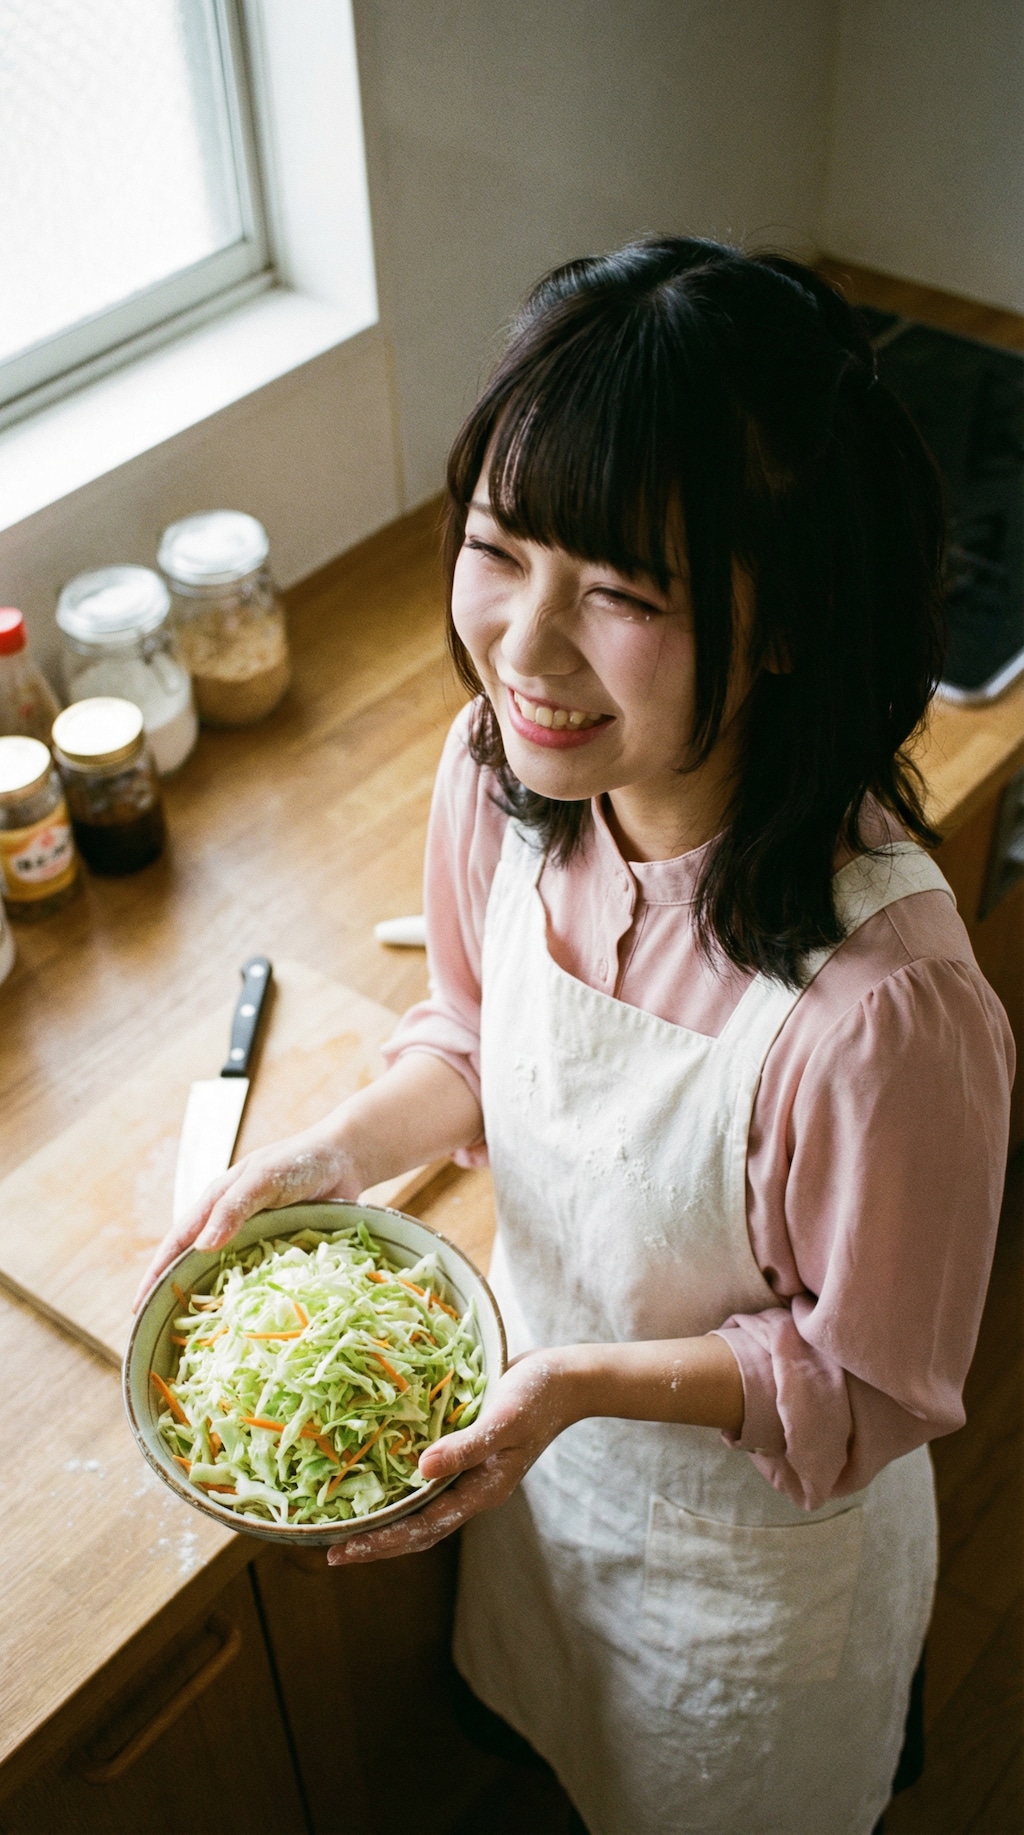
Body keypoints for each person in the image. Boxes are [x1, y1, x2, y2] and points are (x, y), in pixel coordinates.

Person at [139, 239, 1013, 1835]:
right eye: (501, 550)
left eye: (622, 594)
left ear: (787, 624)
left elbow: (871, 1390)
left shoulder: (886, 1015)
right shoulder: (502, 775)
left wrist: (575, 1385)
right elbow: (468, 1040)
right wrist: (331, 1155)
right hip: (544, 1476)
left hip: (749, 1581)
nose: (525, 648)